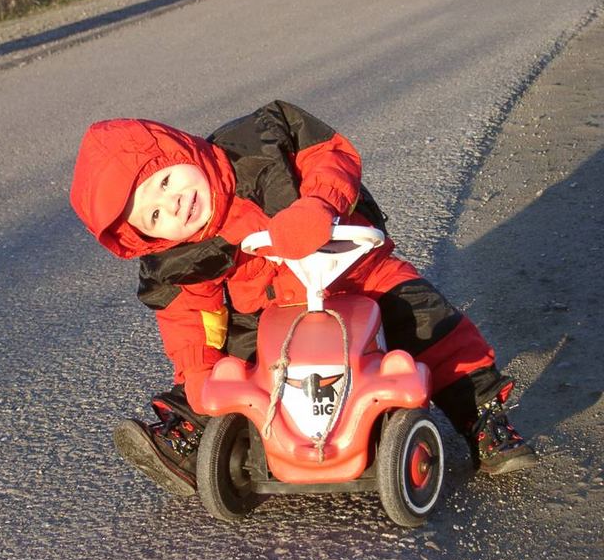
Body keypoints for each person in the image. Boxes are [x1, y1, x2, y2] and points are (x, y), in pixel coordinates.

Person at [69, 100, 537, 497]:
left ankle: (482, 417)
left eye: (166, 181)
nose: (173, 204)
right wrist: (199, 371)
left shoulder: (261, 144)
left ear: (183, 150)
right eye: (153, 213)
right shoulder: (181, 258)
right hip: (272, 312)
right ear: (147, 239)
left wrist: (317, 203)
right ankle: (191, 435)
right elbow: (191, 318)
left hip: (354, 277)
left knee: (426, 323)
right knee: (228, 367)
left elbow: (329, 156)